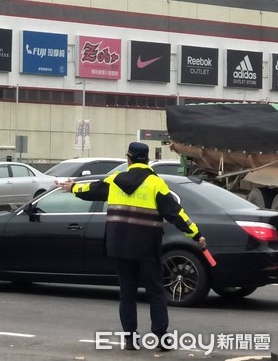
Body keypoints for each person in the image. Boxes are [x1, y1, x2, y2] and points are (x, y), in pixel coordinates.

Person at [60, 142, 206, 351]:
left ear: (128, 159)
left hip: (120, 246)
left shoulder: (115, 180)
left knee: (127, 292)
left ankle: (130, 338)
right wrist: (196, 234)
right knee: (155, 291)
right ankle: (161, 338)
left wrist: (72, 186)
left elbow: (90, 189)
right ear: (147, 160)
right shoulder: (156, 183)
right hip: (147, 247)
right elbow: (176, 213)